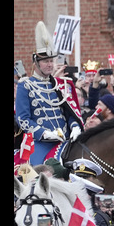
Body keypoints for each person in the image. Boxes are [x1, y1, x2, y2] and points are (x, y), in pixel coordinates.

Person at [15, 21, 83, 165]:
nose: (50, 64)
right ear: (36, 61)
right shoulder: (25, 85)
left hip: (66, 140)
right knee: (38, 174)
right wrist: (43, 133)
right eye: (45, 61)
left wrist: (75, 126)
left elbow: (69, 113)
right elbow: (23, 119)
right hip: (40, 143)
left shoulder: (61, 84)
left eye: (51, 60)